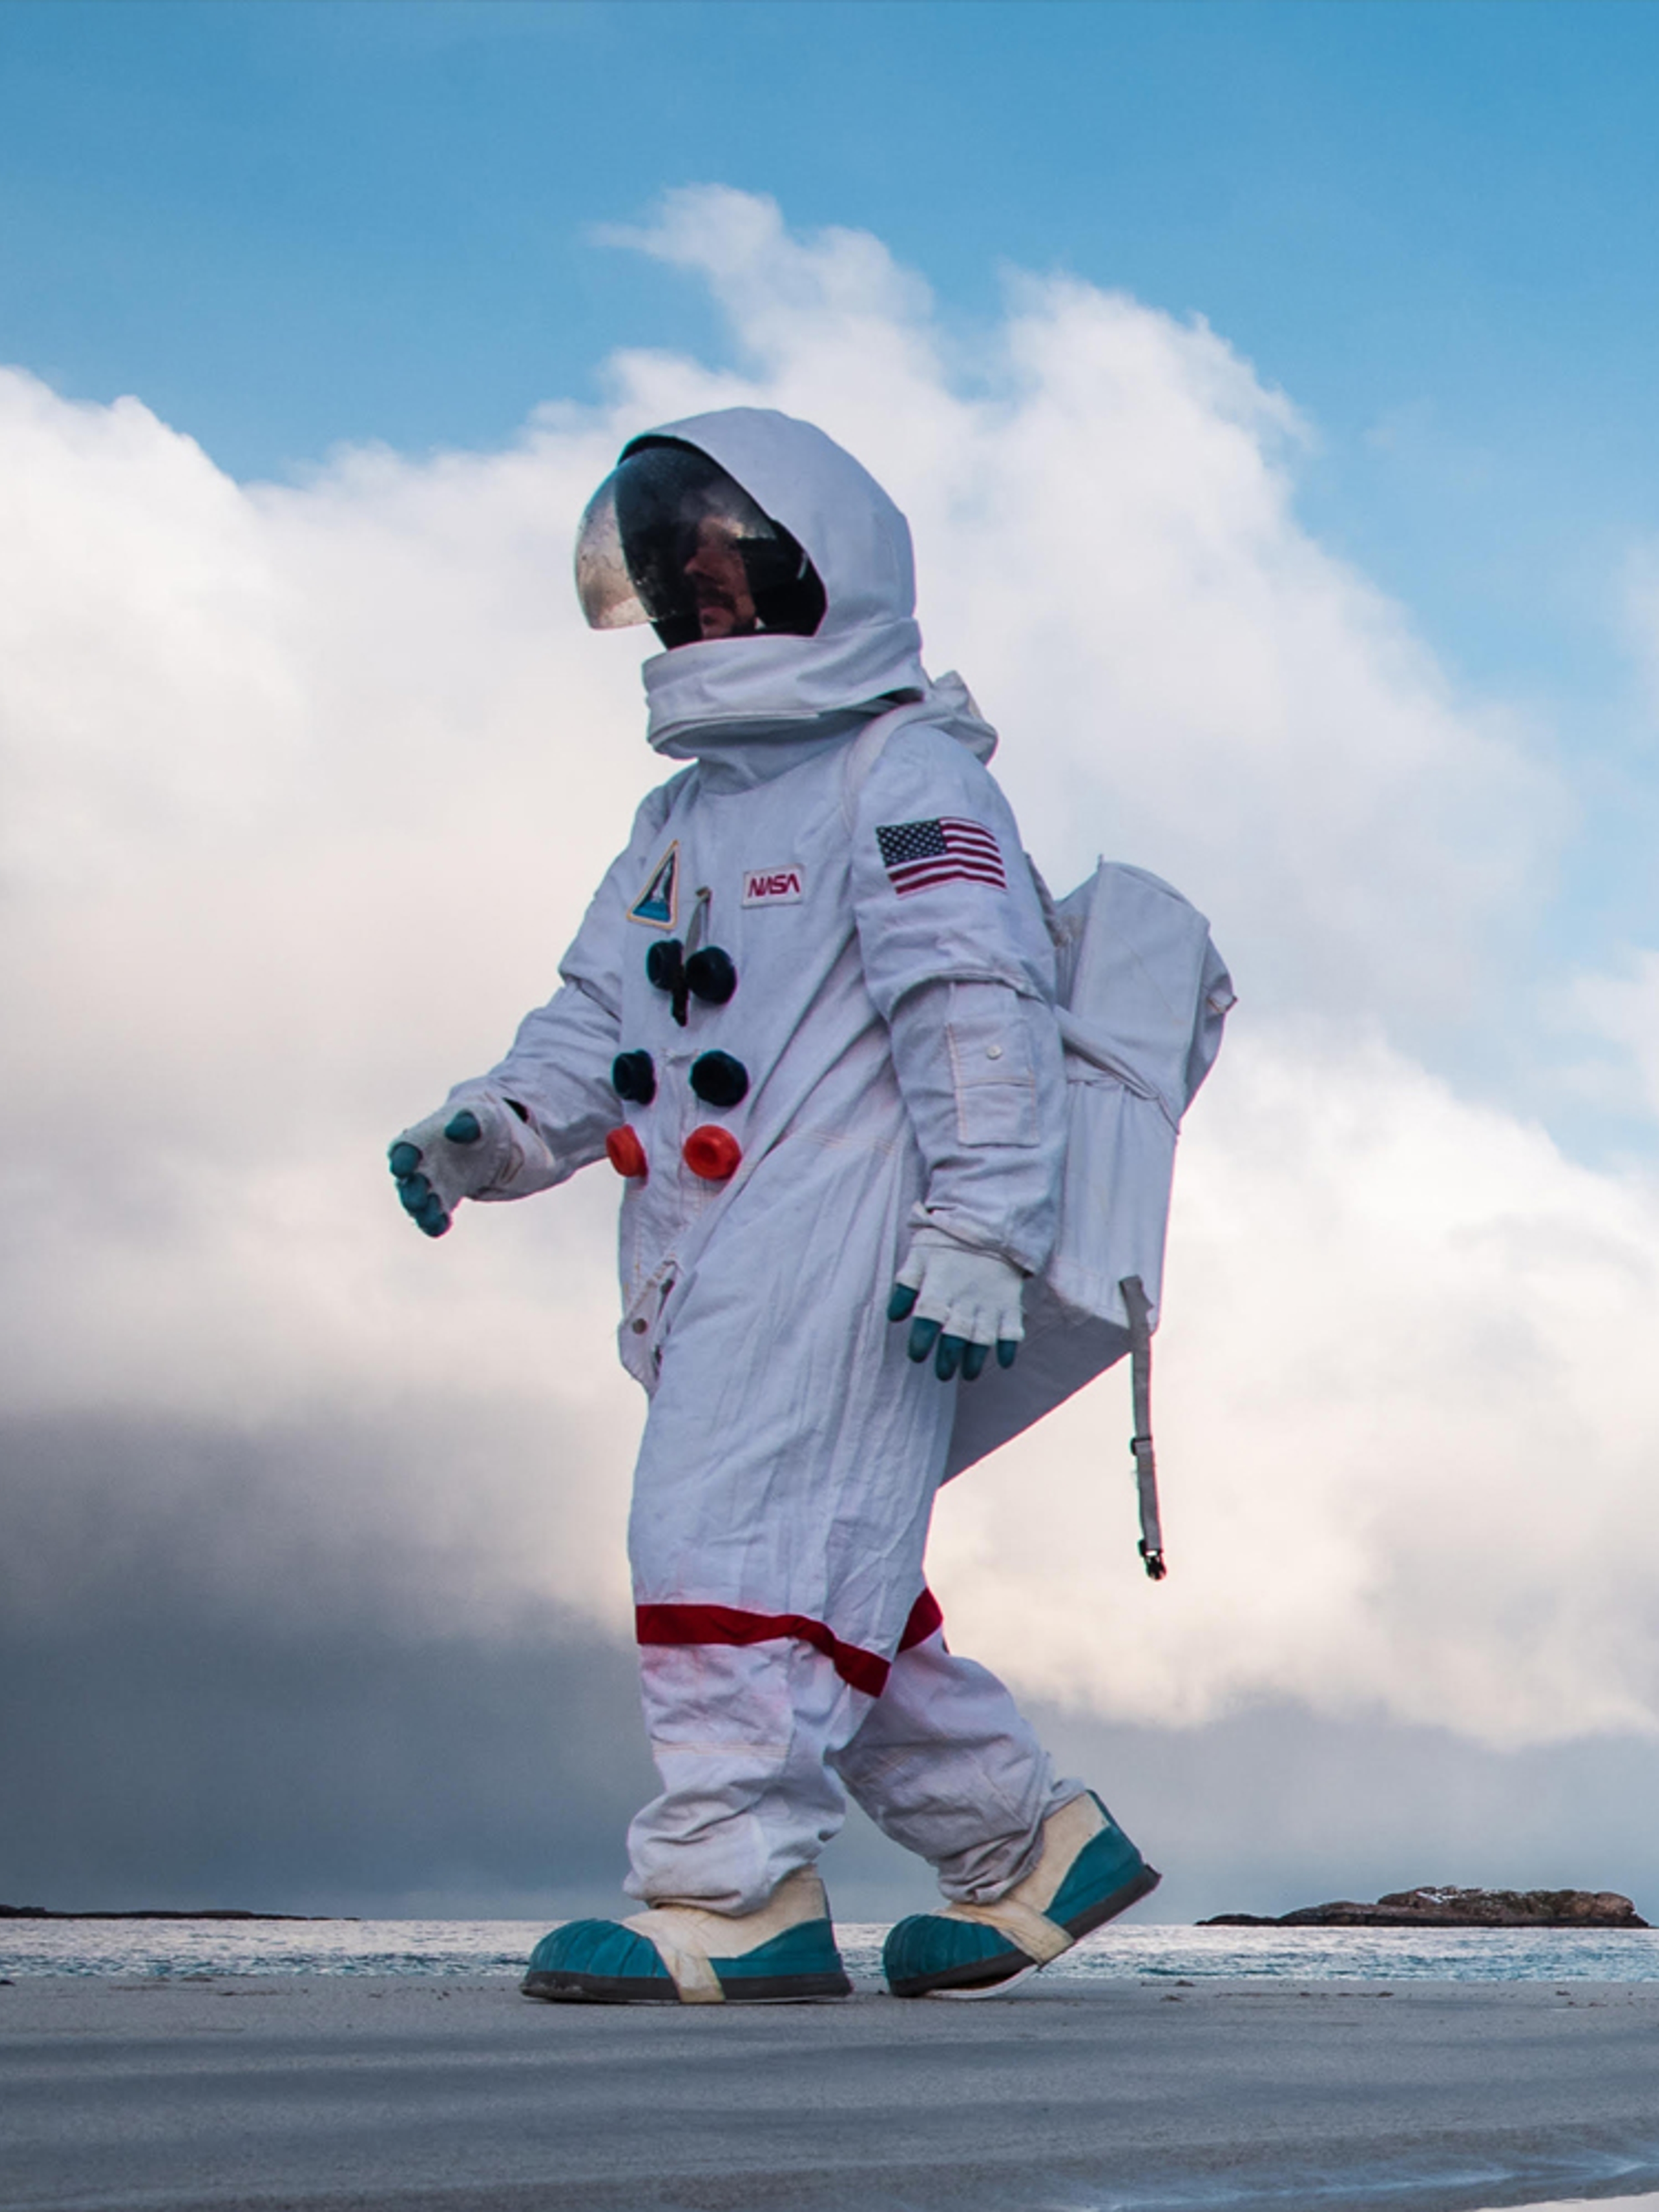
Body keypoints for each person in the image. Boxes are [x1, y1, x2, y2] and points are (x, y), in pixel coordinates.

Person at [388, 409, 1158, 2003]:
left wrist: (982, 1231)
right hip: (711, 1244)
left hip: (861, 1236)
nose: (701, 600)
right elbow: (600, 1023)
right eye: (677, 576)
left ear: (824, 574)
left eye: (728, 567)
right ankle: (1023, 1841)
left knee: (725, 1533)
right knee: (817, 1562)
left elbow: (979, 1010)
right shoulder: (680, 825)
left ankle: (728, 1886)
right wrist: (495, 1130)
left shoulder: (904, 773)